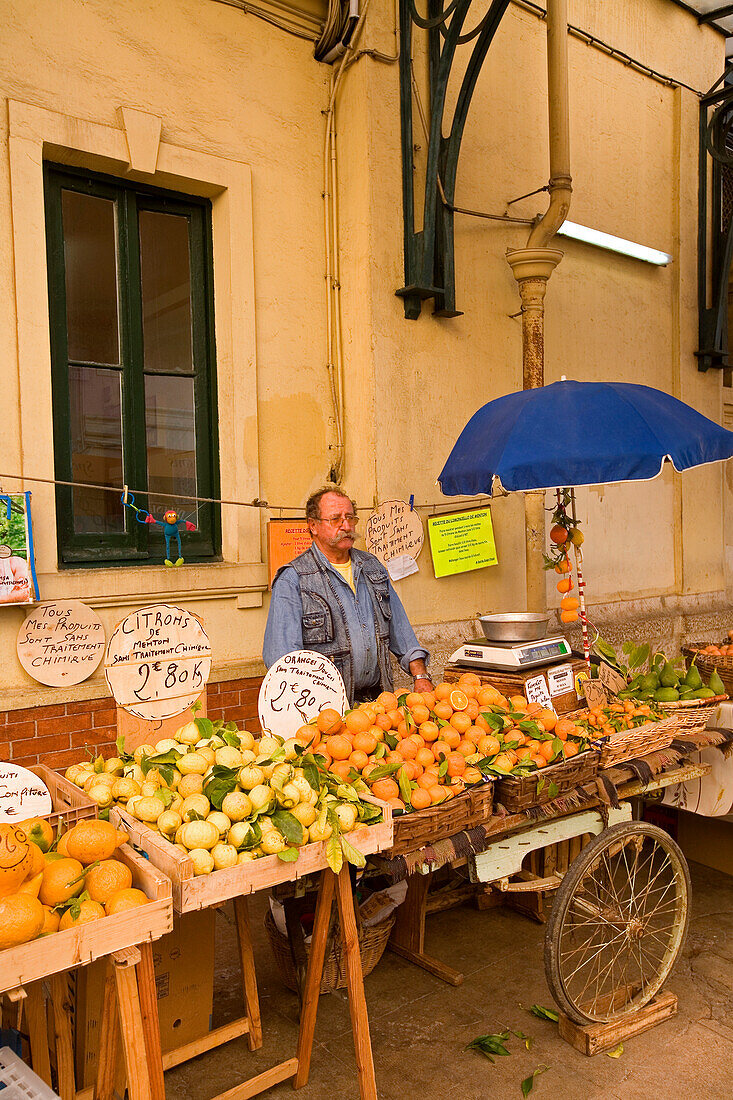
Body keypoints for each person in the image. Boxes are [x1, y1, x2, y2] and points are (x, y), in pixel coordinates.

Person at [263, 488, 432, 703]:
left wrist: (420, 675)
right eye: (335, 519)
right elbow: (282, 660)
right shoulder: (294, 579)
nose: (346, 526)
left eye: (350, 517)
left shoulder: (373, 568)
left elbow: (402, 633)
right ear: (313, 525)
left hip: (379, 705)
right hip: (326, 710)